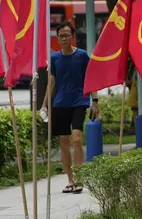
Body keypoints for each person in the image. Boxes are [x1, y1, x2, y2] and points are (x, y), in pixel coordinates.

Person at [41, 23, 99, 194]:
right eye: (61, 35)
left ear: (73, 36)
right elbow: (52, 82)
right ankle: (70, 180)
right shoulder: (55, 58)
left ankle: (80, 178)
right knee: (64, 144)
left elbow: (91, 78)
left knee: (77, 139)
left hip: (79, 102)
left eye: (67, 35)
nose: (64, 38)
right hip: (60, 104)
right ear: (58, 38)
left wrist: (95, 101)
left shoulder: (82, 56)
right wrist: (44, 104)